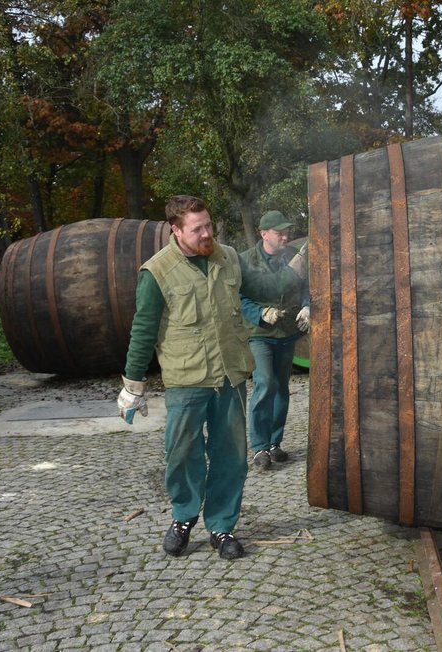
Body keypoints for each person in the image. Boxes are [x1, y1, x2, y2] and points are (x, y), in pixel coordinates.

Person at [117, 195, 254, 561]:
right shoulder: (157, 272)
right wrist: (133, 385)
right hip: (185, 378)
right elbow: (143, 329)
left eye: (209, 225)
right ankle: (183, 517)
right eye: (198, 229)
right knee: (182, 454)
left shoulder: (227, 258)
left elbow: (256, 293)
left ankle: (222, 525)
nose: (207, 233)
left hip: (230, 374)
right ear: (176, 230)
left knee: (231, 455)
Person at [238, 210, 309, 471]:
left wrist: (306, 306)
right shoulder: (246, 262)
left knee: (281, 388)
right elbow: (238, 297)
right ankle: (259, 447)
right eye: (279, 232)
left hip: (287, 334)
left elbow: (306, 288)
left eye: (287, 231)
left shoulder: (293, 258)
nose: (285, 236)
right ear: (263, 233)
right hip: (260, 335)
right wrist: (260, 312)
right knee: (265, 383)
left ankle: (274, 444)